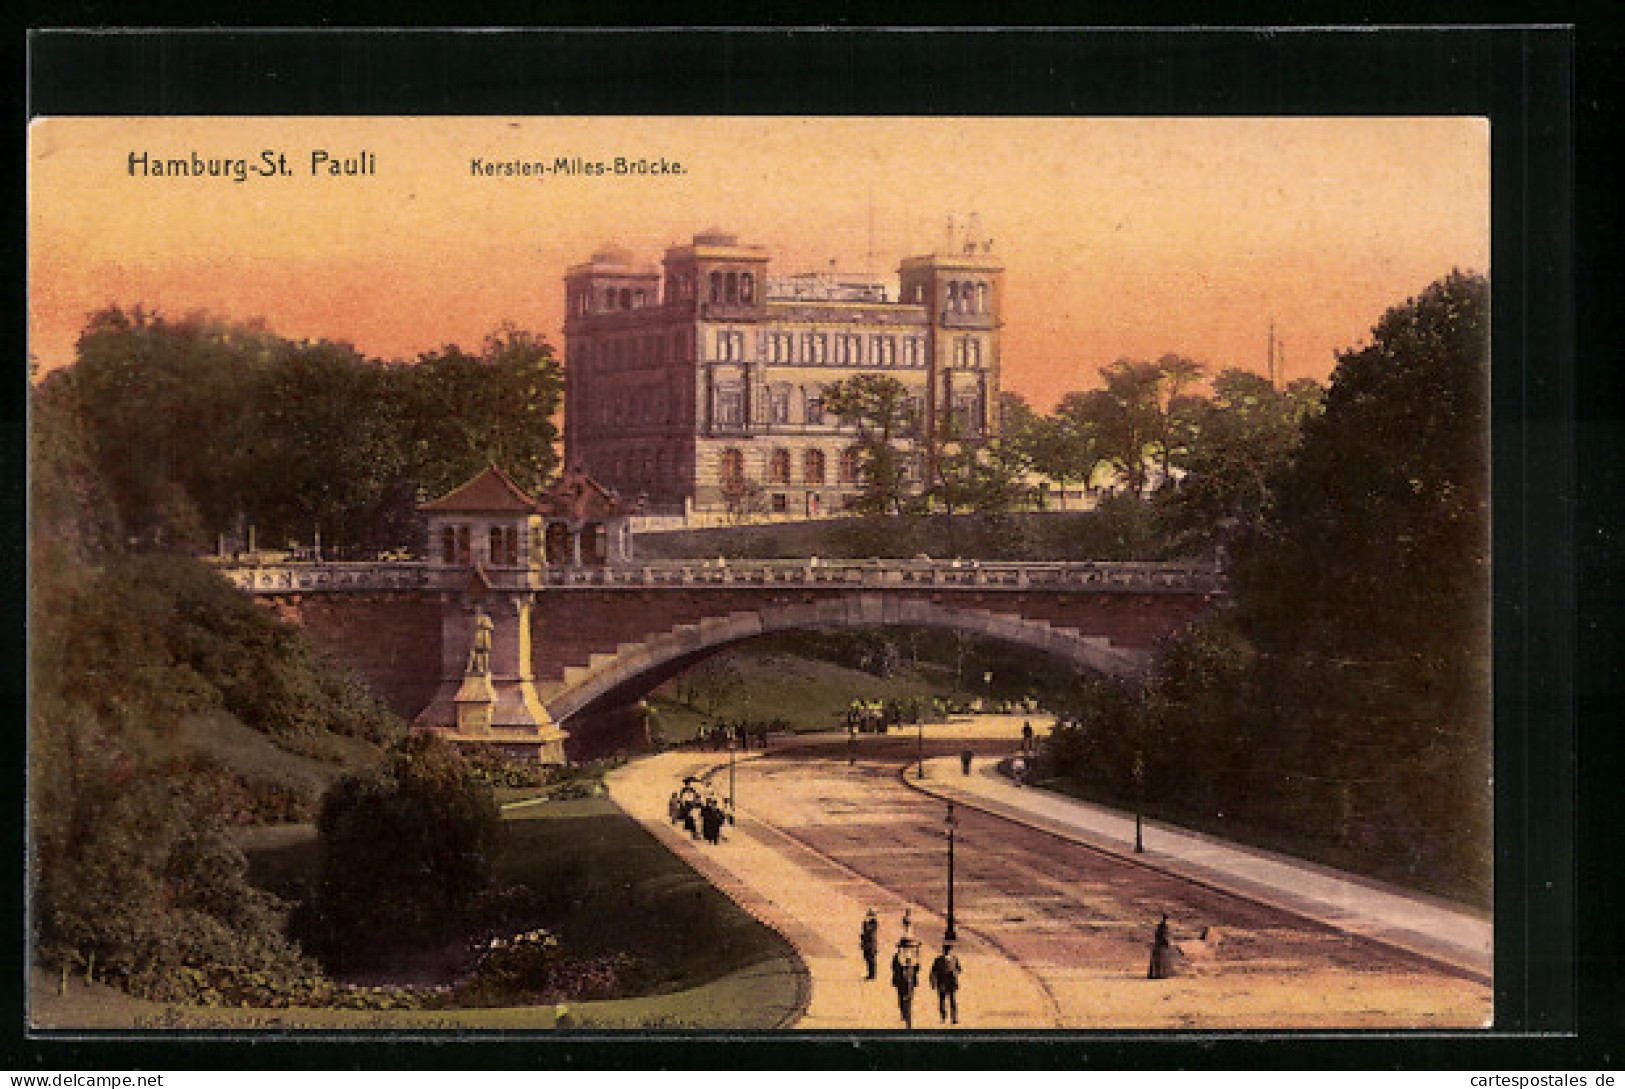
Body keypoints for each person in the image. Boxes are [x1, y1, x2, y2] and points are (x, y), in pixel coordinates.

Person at [928, 943, 962, 1025]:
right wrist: (933, 983)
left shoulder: (954, 959)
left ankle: (954, 1018)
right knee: (942, 1001)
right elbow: (933, 972)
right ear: (943, 951)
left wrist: (954, 973)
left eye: (949, 950)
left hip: (951, 982)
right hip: (942, 982)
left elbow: (959, 969)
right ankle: (943, 1017)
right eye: (946, 950)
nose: (948, 951)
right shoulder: (938, 960)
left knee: (953, 1001)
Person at [891, 938, 920, 1028]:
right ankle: (904, 1012)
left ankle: (908, 1019)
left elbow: (917, 968)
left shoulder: (914, 957)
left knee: (909, 999)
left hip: (910, 980)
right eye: (906, 947)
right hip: (900, 980)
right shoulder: (897, 956)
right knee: (901, 998)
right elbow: (893, 967)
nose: (908, 948)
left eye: (909, 947)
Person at [1147, 912, 1174, 979]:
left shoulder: (1162, 926)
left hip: (1159, 944)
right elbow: (1163, 935)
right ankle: (1159, 974)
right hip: (1161, 945)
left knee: (1159, 960)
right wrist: (1166, 941)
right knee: (1160, 960)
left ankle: (1158, 974)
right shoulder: (1163, 927)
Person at [859, 909, 879, 980]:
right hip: (866, 943)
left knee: (871, 959)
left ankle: (872, 975)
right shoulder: (867, 923)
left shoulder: (874, 923)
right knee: (867, 958)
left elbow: (868, 931)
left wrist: (865, 923)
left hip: (871, 944)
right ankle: (870, 974)